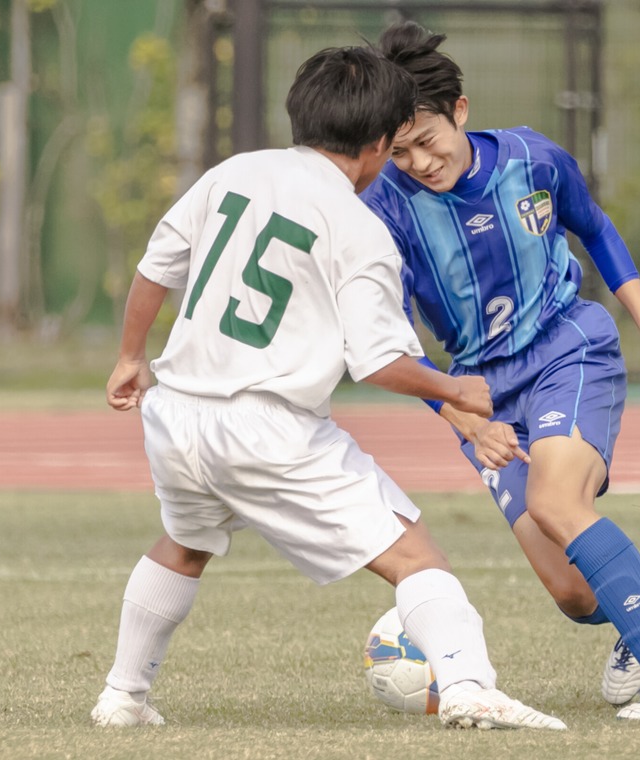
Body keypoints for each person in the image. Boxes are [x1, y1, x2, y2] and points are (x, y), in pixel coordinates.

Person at [90, 44, 566, 732]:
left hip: (176, 415)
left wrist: (131, 355)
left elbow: (157, 263)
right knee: (416, 557)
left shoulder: (235, 171)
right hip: (267, 427)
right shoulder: (357, 225)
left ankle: (122, 697)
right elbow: (378, 362)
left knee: (184, 544)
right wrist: (455, 389)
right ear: (377, 145)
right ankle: (468, 688)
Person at [361, 21, 640, 720]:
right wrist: (459, 415)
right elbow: (391, 336)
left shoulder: (533, 158)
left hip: (568, 348)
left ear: (460, 110)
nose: (419, 162)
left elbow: (595, 228)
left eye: (427, 142)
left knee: (558, 503)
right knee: (573, 595)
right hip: (478, 393)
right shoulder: (386, 210)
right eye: (399, 152)